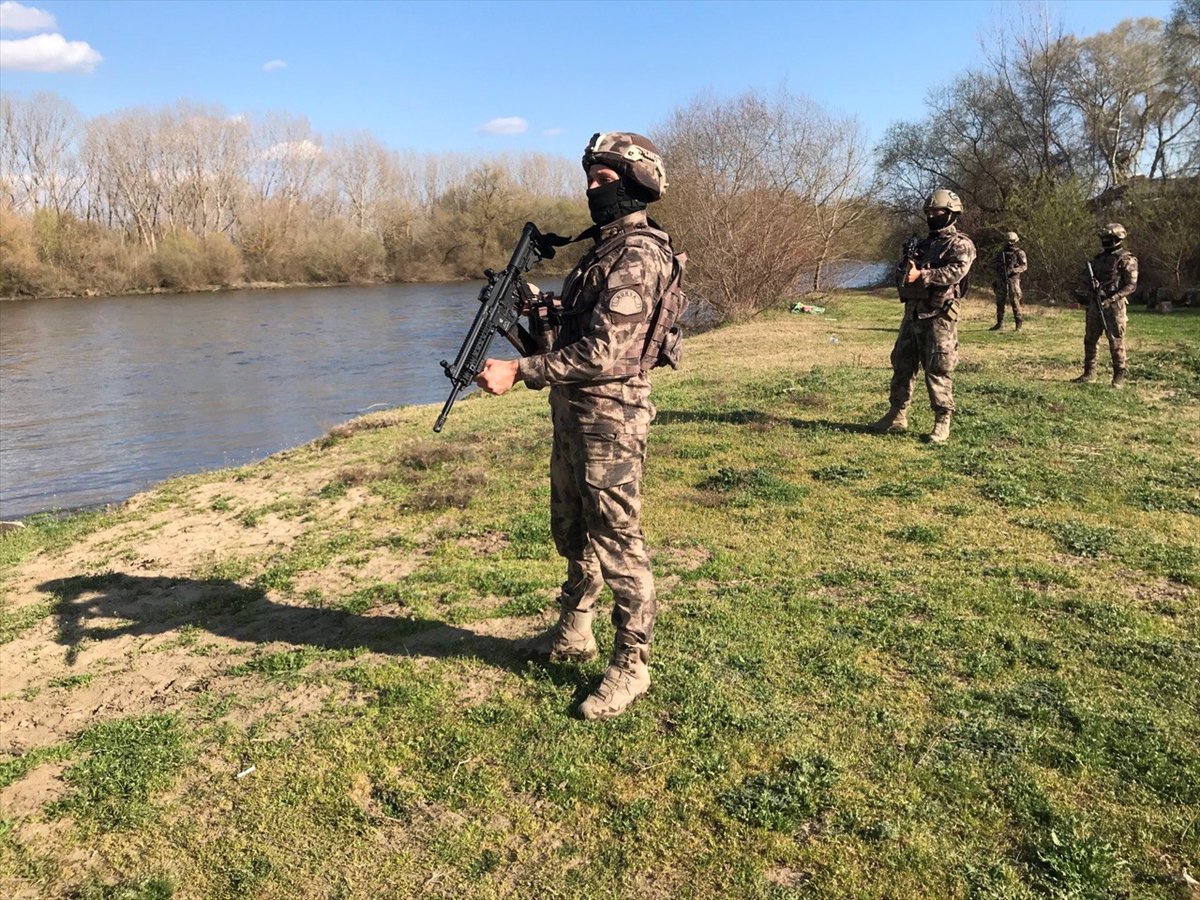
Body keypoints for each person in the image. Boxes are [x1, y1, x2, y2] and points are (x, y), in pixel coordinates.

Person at [473, 133, 680, 721]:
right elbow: (577, 326)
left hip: (611, 421)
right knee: (571, 526)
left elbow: (606, 352)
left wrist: (522, 368)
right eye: (589, 178)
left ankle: (632, 663)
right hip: (574, 414)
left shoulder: (639, 252)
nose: (592, 188)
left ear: (636, 182)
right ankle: (574, 630)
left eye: (605, 178)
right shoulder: (602, 250)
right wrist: (536, 306)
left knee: (617, 537)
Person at [870, 188, 976, 443]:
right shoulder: (924, 243)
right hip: (913, 314)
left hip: (939, 316)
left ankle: (942, 420)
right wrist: (905, 269)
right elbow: (906, 272)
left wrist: (924, 275)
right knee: (902, 363)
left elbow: (956, 272)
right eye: (928, 212)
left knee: (938, 367)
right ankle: (897, 413)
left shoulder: (960, 243)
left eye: (936, 212)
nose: (931, 216)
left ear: (951, 213)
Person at [1073, 223, 1137, 389]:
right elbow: (1084, 278)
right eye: (1103, 238)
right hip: (1096, 303)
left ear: (1117, 238)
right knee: (1090, 339)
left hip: (1114, 305)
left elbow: (1131, 285)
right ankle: (1089, 373)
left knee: (1116, 341)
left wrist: (1113, 298)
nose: (1105, 241)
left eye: (1108, 238)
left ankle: (1118, 376)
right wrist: (1089, 285)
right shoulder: (1098, 259)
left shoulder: (1126, 259)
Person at [990, 231, 1027, 331]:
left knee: (1015, 302)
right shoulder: (1000, 253)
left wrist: (1014, 270)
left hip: (1013, 280)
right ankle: (1000, 324)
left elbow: (1024, 266)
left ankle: (1018, 325)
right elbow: (994, 265)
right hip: (1001, 279)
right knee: (1000, 302)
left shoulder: (1019, 252)